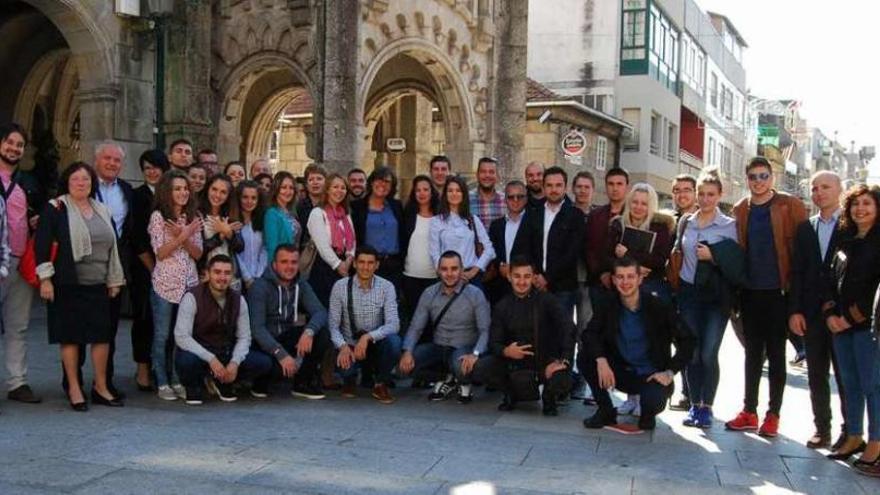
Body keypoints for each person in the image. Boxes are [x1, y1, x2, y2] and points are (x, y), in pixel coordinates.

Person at [724, 157, 807, 437]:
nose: (758, 181)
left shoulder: (789, 205)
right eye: (753, 177)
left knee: (776, 355)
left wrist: (797, 295)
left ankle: (773, 414)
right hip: (749, 292)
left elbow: (801, 250)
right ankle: (749, 410)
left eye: (763, 176)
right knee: (751, 355)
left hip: (778, 292)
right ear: (747, 179)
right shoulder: (740, 209)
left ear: (772, 178)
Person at [35, 162, 126, 411]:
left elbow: (113, 245)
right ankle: (74, 389)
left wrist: (113, 278)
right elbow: (42, 245)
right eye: (75, 179)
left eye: (85, 179)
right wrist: (45, 279)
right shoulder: (55, 208)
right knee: (71, 337)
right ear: (67, 182)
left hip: (98, 284)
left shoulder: (101, 209)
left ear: (92, 183)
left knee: (101, 337)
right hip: (67, 283)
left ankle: (101, 386)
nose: (81, 183)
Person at [581, 257, 694, 433]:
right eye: (620, 277)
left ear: (640, 279)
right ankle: (605, 410)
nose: (625, 282)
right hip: (619, 371)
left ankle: (647, 416)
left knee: (653, 400)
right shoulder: (608, 303)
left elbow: (688, 339)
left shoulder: (659, 306)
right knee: (585, 357)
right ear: (613, 280)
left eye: (630, 277)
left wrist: (670, 371)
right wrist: (601, 360)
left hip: (651, 375)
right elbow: (589, 334)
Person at [670, 167, 744, 429]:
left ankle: (706, 406)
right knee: (692, 351)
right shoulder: (686, 222)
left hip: (716, 297)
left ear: (719, 195)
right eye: (701, 194)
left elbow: (737, 265)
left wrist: (714, 256)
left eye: (711, 194)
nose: (705, 199)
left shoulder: (729, 226)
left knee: (709, 353)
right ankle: (693, 404)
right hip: (689, 293)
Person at [822, 185, 880, 474]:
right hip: (840, 325)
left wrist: (850, 317)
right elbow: (830, 278)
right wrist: (831, 313)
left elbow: (873, 291)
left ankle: (876, 443)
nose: (861, 209)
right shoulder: (845, 238)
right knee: (850, 384)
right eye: (856, 204)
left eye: (867, 204)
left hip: (868, 327)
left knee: (873, 386)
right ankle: (854, 435)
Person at [789, 171, 847, 449]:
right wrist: (795, 310)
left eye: (825, 187)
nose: (819, 192)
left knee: (847, 375)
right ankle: (822, 428)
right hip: (811, 314)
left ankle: (851, 432)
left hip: (842, 316)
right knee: (817, 374)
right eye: (814, 188)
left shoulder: (851, 225)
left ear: (839, 190)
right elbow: (797, 272)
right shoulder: (805, 228)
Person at [174, 254, 273, 405]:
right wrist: (211, 359)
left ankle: (223, 380)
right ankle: (195, 385)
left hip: (225, 352)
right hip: (200, 353)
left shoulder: (239, 300)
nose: (222, 277)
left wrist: (235, 363)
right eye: (217, 272)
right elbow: (181, 336)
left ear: (232, 276)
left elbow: (244, 337)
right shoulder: (192, 297)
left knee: (263, 363)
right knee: (186, 361)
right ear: (207, 274)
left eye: (227, 273)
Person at [399, 251, 491, 403]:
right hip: (439, 346)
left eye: (454, 269)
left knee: (461, 367)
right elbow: (416, 327)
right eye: (444, 269)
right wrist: (407, 351)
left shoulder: (475, 294)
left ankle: (462, 381)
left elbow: (485, 330)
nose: (449, 274)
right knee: (404, 368)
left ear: (462, 270)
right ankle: (447, 378)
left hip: (464, 348)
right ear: (438, 270)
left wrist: (475, 354)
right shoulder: (429, 293)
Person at [485, 258, 573, 416]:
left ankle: (549, 397)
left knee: (562, 376)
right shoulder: (502, 306)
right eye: (517, 276)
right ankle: (510, 394)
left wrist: (564, 360)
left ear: (533, 278)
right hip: (516, 364)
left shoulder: (548, 300)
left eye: (527, 276)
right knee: (483, 367)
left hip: (545, 361)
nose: (522, 281)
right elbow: (493, 342)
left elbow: (568, 327)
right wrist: (506, 351)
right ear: (509, 277)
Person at [248, 244, 330, 399]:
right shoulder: (260, 287)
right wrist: (281, 354)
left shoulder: (301, 284)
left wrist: (309, 331)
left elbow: (320, 311)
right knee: (266, 364)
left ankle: (302, 383)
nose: (289, 267)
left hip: (285, 336)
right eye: (284, 262)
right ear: (274, 264)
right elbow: (257, 329)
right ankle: (261, 382)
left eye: (293, 262)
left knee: (322, 333)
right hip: (263, 343)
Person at [149, 170, 203, 401]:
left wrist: (186, 234)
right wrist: (182, 236)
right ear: (167, 192)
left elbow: (198, 253)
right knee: (162, 335)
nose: (182, 193)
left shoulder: (193, 217)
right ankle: (162, 381)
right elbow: (160, 253)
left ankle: (178, 378)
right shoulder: (159, 217)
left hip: (189, 284)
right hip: (164, 284)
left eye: (185, 189)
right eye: (177, 189)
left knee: (182, 335)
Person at [0, 122, 44, 404]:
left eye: (19, 145)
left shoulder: (28, 182)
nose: (14, 148)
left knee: (18, 325)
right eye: (9, 142)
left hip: (20, 260)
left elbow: (37, 215)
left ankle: (17, 383)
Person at [87, 141, 135, 398]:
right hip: (86, 266)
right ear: (96, 160)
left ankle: (104, 381)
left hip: (115, 268)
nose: (112, 163)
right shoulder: (83, 185)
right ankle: (70, 382)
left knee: (109, 328)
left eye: (116, 160)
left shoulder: (127, 190)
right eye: (107, 158)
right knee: (78, 327)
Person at [328, 245, 401, 404]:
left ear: (377, 265)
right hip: (350, 345)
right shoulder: (340, 287)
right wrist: (342, 346)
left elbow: (394, 324)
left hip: (376, 344)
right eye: (361, 262)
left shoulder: (387, 287)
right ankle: (350, 379)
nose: (365, 267)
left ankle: (380, 383)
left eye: (370, 263)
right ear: (354, 264)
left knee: (395, 343)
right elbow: (333, 326)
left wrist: (368, 337)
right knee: (346, 370)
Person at [524, 166, 585, 339]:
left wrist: (548, 278)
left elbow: (572, 252)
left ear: (565, 187)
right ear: (543, 187)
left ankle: (563, 365)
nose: (554, 189)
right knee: (536, 331)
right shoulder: (532, 214)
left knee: (562, 332)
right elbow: (525, 246)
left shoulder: (575, 216)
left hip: (563, 287)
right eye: (549, 185)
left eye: (558, 185)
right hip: (534, 284)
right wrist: (535, 275)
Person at [130, 149, 169, 390]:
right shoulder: (137, 196)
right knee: (144, 319)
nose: (152, 171)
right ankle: (142, 369)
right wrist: (154, 268)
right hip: (146, 268)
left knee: (166, 323)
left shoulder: (172, 194)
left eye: (156, 166)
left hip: (172, 267)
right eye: (147, 168)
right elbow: (137, 236)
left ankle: (162, 367)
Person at [606, 183, 674, 304]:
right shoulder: (617, 225)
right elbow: (608, 257)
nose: (638, 207)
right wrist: (635, 270)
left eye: (644, 204)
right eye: (635, 202)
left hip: (651, 287)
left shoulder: (660, 227)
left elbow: (660, 260)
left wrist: (628, 254)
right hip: (622, 287)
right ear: (629, 203)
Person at [429, 175, 495, 289]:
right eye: (450, 190)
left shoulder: (473, 220)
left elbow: (489, 249)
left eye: (458, 190)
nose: (454, 194)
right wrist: (447, 274)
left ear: (463, 194)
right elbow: (434, 253)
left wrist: (474, 270)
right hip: (447, 279)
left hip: (471, 278)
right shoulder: (436, 222)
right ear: (445, 194)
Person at [350, 167, 405, 292]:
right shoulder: (357, 207)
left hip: (393, 265)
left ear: (392, 186)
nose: (382, 185)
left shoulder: (396, 206)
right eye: (379, 180)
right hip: (367, 265)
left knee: (391, 304)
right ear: (371, 182)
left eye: (387, 182)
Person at [669, 173, 698, 412]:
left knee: (692, 344)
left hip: (694, 293)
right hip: (672, 290)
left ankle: (693, 395)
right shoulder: (669, 219)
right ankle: (685, 392)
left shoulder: (701, 219)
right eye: (677, 190)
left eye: (686, 189)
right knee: (679, 343)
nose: (682, 194)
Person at [307, 173, 356, 306]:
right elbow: (322, 246)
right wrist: (338, 266)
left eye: (343, 188)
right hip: (324, 267)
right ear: (327, 189)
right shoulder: (317, 213)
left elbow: (352, 240)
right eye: (335, 187)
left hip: (345, 264)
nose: (339, 191)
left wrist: (349, 259)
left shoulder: (345, 214)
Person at [585, 167, 629, 300]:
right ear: (605, 186)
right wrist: (601, 273)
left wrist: (615, 274)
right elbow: (588, 249)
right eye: (611, 184)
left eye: (619, 184)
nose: (615, 188)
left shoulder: (633, 215)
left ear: (627, 187)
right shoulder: (595, 215)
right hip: (598, 282)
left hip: (625, 283)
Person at [401, 175, 440, 323]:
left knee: (431, 319)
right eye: (418, 190)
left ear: (432, 192)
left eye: (425, 189)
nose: (422, 193)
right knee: (413, 318)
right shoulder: (408, 215)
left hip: (433, 277)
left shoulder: (440, 216)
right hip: (410, 276)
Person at [487, 180, 530, 304]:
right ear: (505, 200)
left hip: (526, 286)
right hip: (500, 286)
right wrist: (500, 265)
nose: (515, 200)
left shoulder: (535, 223)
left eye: (520, 196)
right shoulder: (496, 225)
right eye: (511, 197)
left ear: (526, 199)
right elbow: (492, 252)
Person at [199, 174, 243, 285]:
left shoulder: (231, 215)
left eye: (223, 192)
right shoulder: (197, 215)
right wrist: (220, 236)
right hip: (206, 276)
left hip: (230, 277)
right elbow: (198, 250)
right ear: (207, 188)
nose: (217, 195)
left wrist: (229, 233)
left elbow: (240, 247)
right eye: (214, 189)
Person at [236, 180, 268, 291]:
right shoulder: (233, 221)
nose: (249, 201)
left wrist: (258, 275)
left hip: (258, 278)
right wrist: (247, 278)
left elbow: (264, 249)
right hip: (238, 278)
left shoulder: (262, 221)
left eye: (253, 198)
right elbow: (234, 252)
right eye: (245, 197)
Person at [263, 171, 302, 259]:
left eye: (291, 188)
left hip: (292, 262)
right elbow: (272, 247)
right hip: (280, 265)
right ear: (276, 189)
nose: (288, 191)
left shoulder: (291, 212)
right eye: (284, 187)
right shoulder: (272, 214)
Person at [469, 157, 506, 228]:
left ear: (497, 176)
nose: (487, 175)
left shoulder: (506, 201)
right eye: (483, 171)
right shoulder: (466, 200)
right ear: (477, 175)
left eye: (491, 172)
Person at [297, 164, 327, 246]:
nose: (315, 182)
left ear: (326, 182)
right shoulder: (299, 206)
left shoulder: (330, 205)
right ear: (306, 184)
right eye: (311, 179)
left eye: (319, 179)